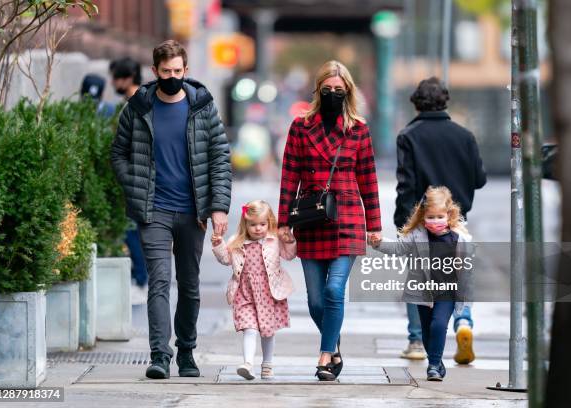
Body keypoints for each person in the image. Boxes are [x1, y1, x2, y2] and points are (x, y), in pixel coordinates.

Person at [111, 40, 232, 379]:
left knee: (190, 285)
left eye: (178, 71)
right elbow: (118, 153)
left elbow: (219, 158)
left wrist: (218, 207)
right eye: (166, 72)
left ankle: (187, 351)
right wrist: (132, 181)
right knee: (159, 282)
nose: (172, 77)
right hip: (154, 210)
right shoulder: (138, 108)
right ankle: (159, 355)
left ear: (186, 71)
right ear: (154, 72)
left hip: (193, 211)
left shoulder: (203, 107)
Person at [277, 60, 382, 381]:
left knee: (335, 290)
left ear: (348, 91)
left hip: (347, 216)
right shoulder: (300, 127)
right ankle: (334, 345)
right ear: (317, 90)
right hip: (311, 218)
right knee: (315, 300)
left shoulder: (358, 129)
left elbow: (368, 177)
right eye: (327, 89)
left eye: (339, 90)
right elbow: (289, 175)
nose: (333, 94)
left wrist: (375, 225)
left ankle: (325, 356)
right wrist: (283, 223)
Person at [394, 77, 486, 365]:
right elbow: (480, 179)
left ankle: (417, 340)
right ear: (445, 101)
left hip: (424, 223)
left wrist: (403, 222)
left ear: (416, 103)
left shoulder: (409, 136)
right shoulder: (465, 136)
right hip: (456, 221)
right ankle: (463, 322)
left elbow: (406, 185)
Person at [373, 186, 474, 381]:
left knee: (438, 325)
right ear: (423, 216)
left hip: (447, 292)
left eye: (439, 217)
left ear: (449, 214)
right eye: (430, 217)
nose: (435, 221)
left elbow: (467, 272)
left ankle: (433, 365)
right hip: (422, 292)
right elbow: (399, 248)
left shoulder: (460, 239)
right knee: (427, 331)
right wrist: (378, 243)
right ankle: (436, 360)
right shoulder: (417, 235)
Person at [211, 200, 296, 380]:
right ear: (245, 224)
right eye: (253, 224)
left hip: (269, 293)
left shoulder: (274, 240)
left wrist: (290, 241)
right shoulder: (237, 242)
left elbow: (290, 255)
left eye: (262, 224)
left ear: (269, 223)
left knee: (267, 330)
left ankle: (267, 364)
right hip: (245, 292)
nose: (258, 228)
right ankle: (248, 364)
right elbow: (226, 259)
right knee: (249, 328)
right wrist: (218, 244)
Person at [108, 57, 147, 304]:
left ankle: (141, 281)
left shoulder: (137, 105)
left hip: (138, 181)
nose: (112, 83)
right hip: (135, 179)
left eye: (115, 78)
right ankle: (140, 280)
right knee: (132, 231)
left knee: (133, 231)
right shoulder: (133, 103)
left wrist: (129, 176)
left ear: (126, 78)